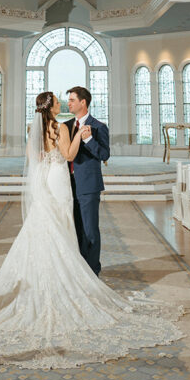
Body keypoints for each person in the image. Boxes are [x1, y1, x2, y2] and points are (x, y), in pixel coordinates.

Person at [0, 91, 183, 369]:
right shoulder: (61, 127)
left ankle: (60, 271)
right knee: (62, 224)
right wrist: (79, 136)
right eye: (59, 100)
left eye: (68, 99)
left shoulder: (37, 130)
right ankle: (72, 275)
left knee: (47, 224)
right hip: (59, 181)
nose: (63, 103)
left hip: (45, 181)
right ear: (52, 107)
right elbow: (67, 154)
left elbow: (37, 161)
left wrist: (75, 142)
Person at [63, 85, 109, 275]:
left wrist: (89, 141)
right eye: (69, 100)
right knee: (75, 229)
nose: (69, 103)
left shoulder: (99, 127)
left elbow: (105, 154)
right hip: (67, 185)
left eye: (72, 100)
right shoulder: (66, 126)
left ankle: (92, 272)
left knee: (90, 230)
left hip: (88, 185)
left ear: (83, 102)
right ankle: (79, 271)